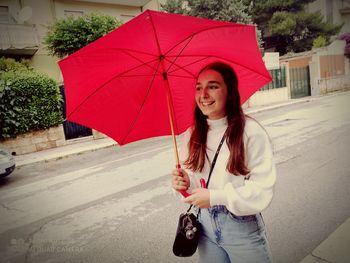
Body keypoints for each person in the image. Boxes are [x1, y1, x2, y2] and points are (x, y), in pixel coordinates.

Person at [171, 61, 276, 263]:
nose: (203, 95)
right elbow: (195, 186)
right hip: (204, 227)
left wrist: (215, 196)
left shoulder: (251, 132)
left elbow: (262, 190)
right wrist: (183, 183)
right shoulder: (192, 134)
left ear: (229, 91)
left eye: (213, 86)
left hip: (240, 228)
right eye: (198, 87)